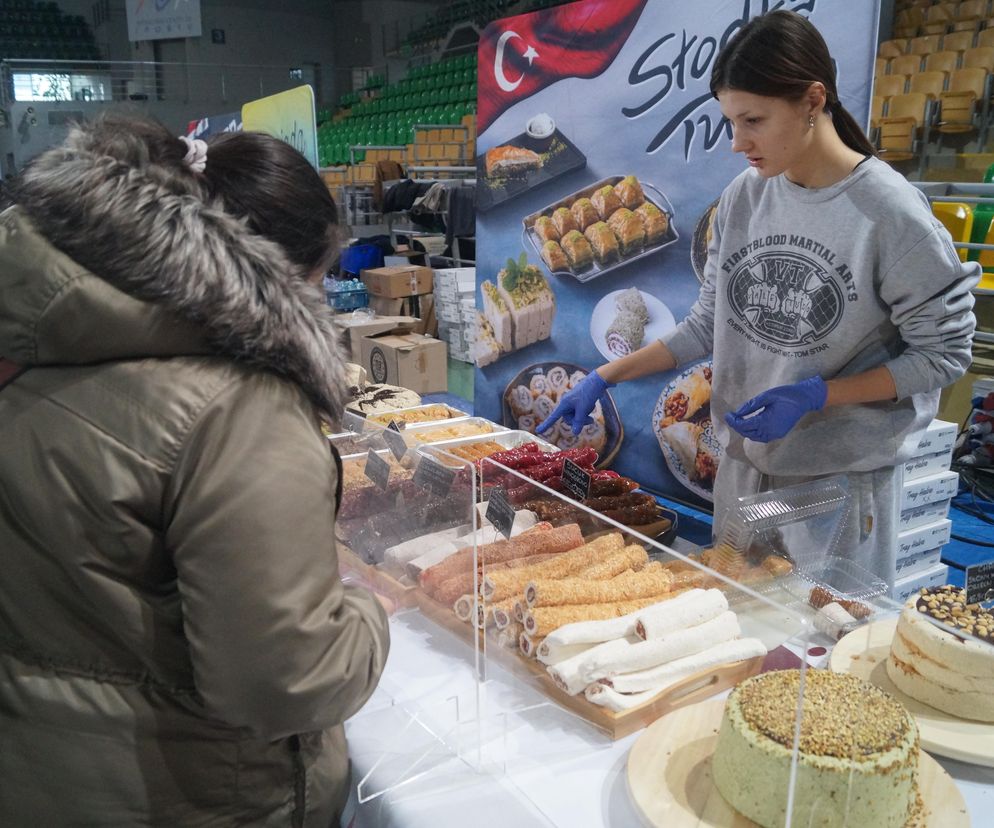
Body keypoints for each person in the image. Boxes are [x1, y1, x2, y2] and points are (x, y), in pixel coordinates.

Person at [0, 114, 390, 825]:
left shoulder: (50, 336)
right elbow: (284, 680)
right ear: (279, 273)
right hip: (196, 793)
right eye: (322, 280)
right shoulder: (240, 405)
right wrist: (367, 614)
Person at [540, 10, 978, 586]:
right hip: (742, 472)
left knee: (820, 652)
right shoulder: (745, 197)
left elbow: (942, 357)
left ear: (812, 101)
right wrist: (605, 376)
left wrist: (820, 395)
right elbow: (704, 326)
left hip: (838, 486)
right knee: (737, 638)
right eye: (729, 121)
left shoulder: (890, 215)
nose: (736, 142)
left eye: (753, 120)